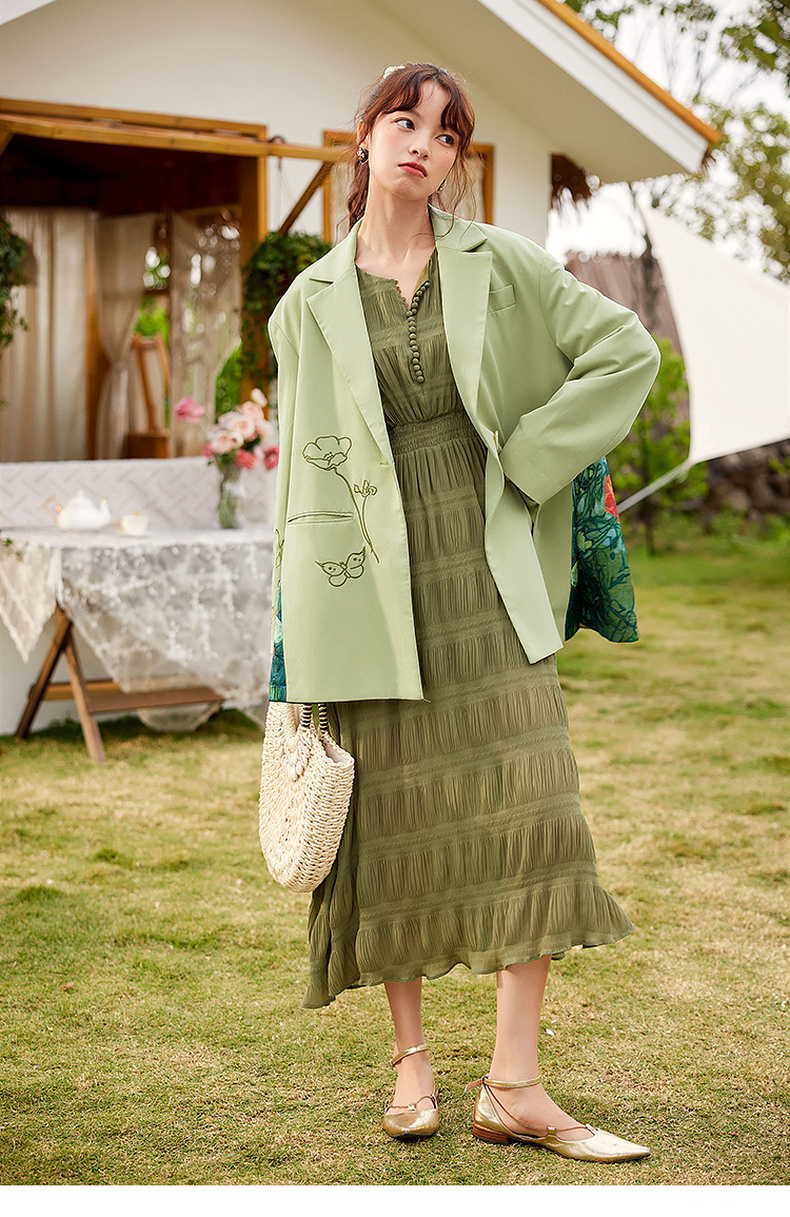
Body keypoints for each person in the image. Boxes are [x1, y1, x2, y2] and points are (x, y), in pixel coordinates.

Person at [266, 62, 660, 1161]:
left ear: (453, 159)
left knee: (534, 809)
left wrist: (528, 459)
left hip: (488, 575)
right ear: (364, 135)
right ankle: (413, 1068)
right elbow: (299, 479)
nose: (424, 144)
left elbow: (626, 350)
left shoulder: (504, 264)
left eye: (445, 134)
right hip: (366, 593)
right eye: (406, 120)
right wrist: (292, 640)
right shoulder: (307, 303)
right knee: (395, 825)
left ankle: (516, 1084)